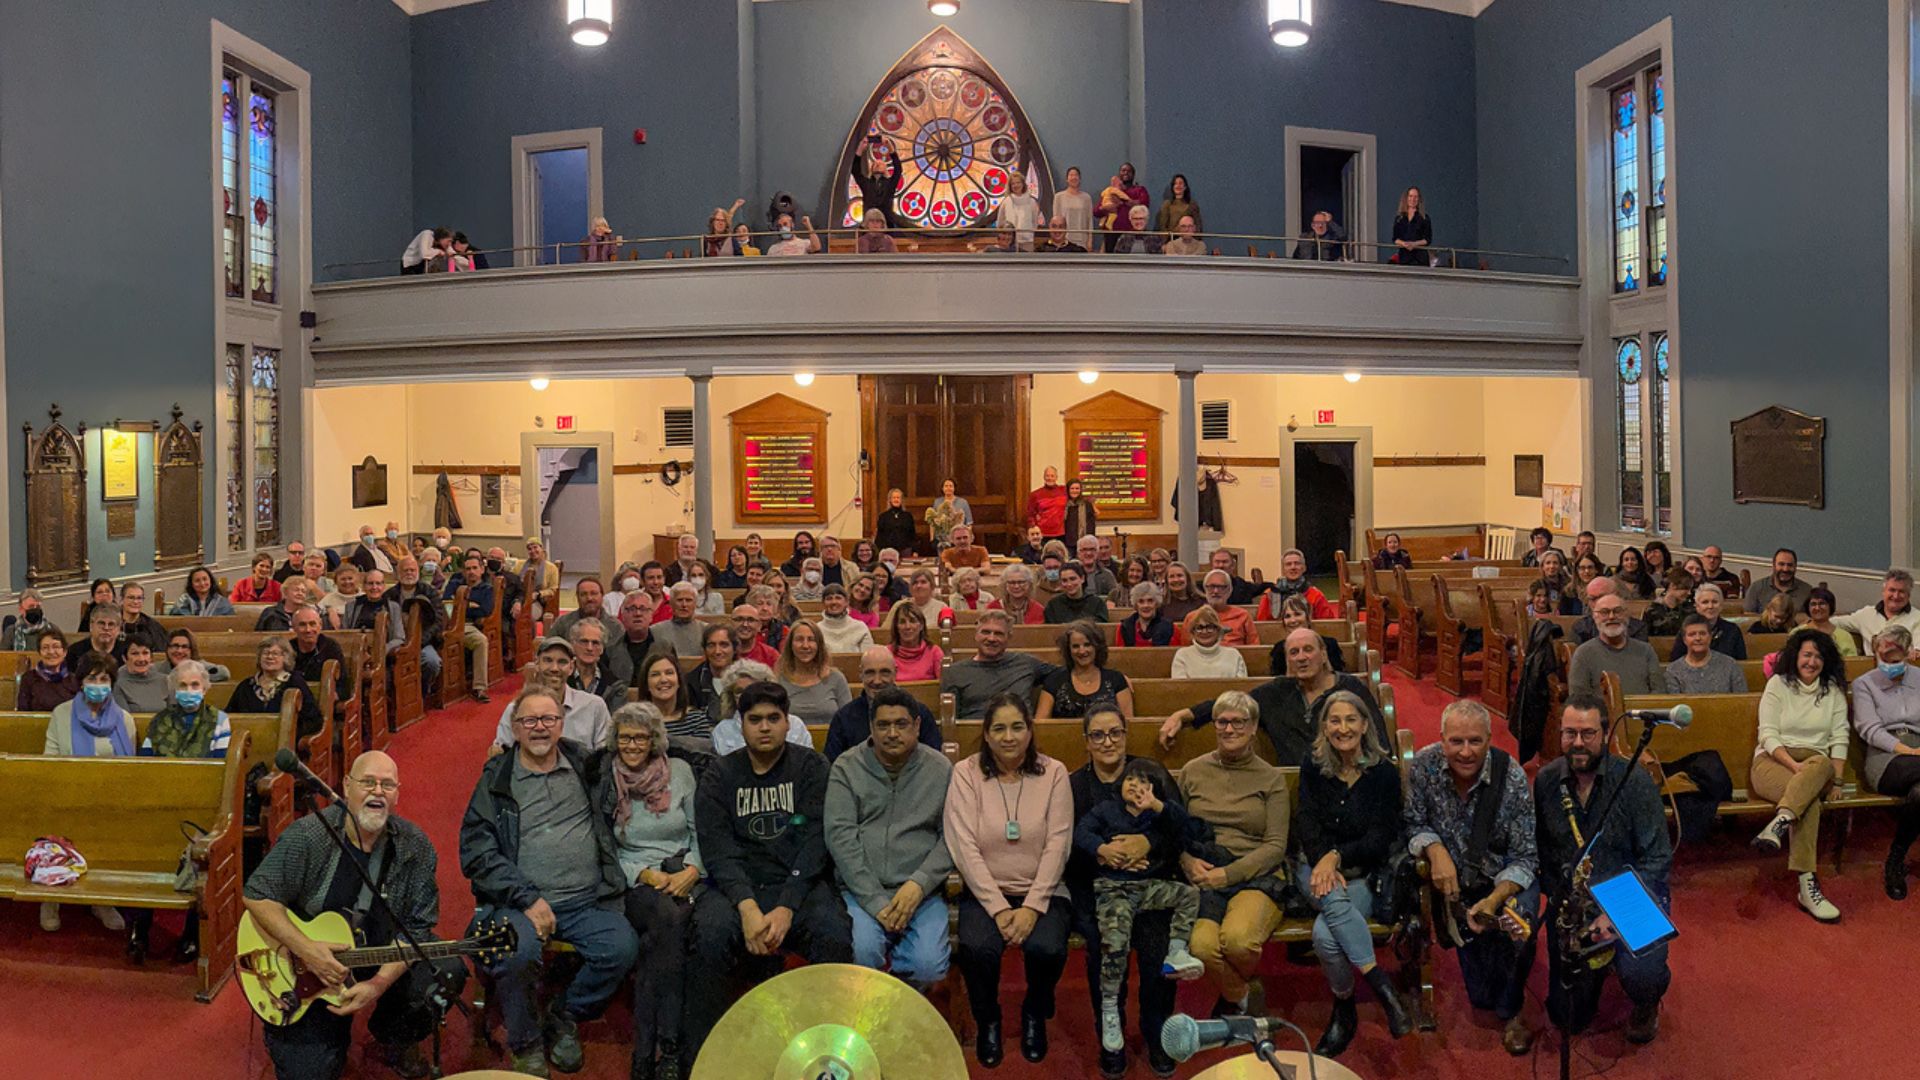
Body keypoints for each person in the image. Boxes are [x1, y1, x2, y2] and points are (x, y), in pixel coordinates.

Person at [242, 750, 461, 1080]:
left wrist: (377, 984)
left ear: (398, 793)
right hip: (307, 965)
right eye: (368, 782)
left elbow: (418, 926)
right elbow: (257, 895)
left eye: (388, 785)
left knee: (447, 972)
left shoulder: (415, 847)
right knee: (312, 1072)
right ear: (346, 786)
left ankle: (392, 1035)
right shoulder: (310, 836)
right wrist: (305, 950)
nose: (377, 792)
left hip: (377, 953)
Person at [460, 685, 638, 1076]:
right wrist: (526, 898)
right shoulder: (497, 777)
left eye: (548, 719)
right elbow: (476, 851)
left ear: (561, 724)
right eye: (529, 720)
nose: (539, 727)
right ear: (515, 727)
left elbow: (641, 752)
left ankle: (564, 1013)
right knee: (516, 952)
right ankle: (525, 1042)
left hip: (584, 900)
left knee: (622, 947)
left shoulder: (585, 765)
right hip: (516, 903)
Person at [688, 682, 852, 1058]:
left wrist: (787, 906)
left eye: (773, 719)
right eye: (755, 719)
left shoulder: (812, 767)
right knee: (708, 934)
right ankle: (707, 1054)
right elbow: (718, 849)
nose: (764, 727)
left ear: (787, 721)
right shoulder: (720, 773)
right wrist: (746, 906)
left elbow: (815, 843)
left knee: (834, 934)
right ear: (741, 725)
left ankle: (828, 1049)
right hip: (737, 886)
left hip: (799, 883)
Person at [943, 692, 1073, 1065]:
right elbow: (963, 845)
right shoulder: (966, 773)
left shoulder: (1054, 772)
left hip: (1043, 888)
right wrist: (999, 908)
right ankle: (989, 1020)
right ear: (985, 734)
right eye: (998, 728)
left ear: (1030, 731)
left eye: (1017, 727)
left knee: (1046, 948)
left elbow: (1058, 841)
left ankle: (1035, 1010)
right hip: (987, 892)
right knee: (978, 949)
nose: (1009, 736)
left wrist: (1032, 906)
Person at [1404, 700, 1539, 1054]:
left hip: (1504, 880)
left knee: (1519, 929)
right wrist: (1434, 850)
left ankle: (1514, 1011)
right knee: (1480, 997)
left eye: (1475, 742)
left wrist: (1494, 902)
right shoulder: (1424, 765)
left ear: (1490, 739)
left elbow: (1526, 855)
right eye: (1456, 742)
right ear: (1442, 739)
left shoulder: (1510, 776)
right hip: (1455, 883)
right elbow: (1413, 823)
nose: (1465, 752)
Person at [1535, 695, 1671, 1044]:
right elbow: (1543, 853)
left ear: (1606, 734)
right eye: (1569, 733)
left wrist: (1613, 916)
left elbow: (1657, 858)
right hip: (1575, 902)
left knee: (1643, 975)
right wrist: (1564, 909)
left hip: (1628, 893)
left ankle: (1647, 1000)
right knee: (1569, 1019)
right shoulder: (1546, 780)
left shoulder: (1634, 781)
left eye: (1588, 733)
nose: (1577, 743)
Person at [1295, 690, 1413, 1056]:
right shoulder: (1314, 765)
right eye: (1334, 720)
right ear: (1324, 727)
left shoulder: (1383, 774)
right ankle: (1379, 984)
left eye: (1350, 720)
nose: (1342, 727)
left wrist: (1337, 855)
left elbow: (1380, 838)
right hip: (1311, 867)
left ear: (1365, 725)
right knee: (1330, 895)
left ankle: (1344, 1007)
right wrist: (1324, 859)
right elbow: (1307, 823)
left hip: (1363, 873)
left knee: (1325, 937)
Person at [593, 704, 701, 1080]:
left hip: (684, 873)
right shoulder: (607, 779)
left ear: (654, 739)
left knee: (662, 937)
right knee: (668, 918)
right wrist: (645, 875)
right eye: (625, 737)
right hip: (636, 881)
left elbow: (699, 831)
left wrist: (692, 870)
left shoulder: (682, 773)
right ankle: (669, 1047)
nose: (632, 745)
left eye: (640, 737)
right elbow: (606, 847)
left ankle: (646, 1051)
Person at [826, 685, 955, 992]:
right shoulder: (846, 767)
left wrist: (919, 884)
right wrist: (874, 900)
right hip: (860, 890)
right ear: (871, 727)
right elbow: (839, 836)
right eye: (883, 725)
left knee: (929, 966)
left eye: (901, 724)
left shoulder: (940, 769)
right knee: (861, 953)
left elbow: (952, 836)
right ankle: (869, 1020)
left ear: (917, 726)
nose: (892, 733)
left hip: (920, 892)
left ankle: (904, 1017)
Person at [1077, 752, 1206, 1058]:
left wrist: (1157, 806)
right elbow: (1080, 833)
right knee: (1114, 944)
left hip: (1148, 887)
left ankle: (1176, 950)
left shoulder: (1157, 814)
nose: (1136, 787)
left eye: (1145, 783)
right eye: (1131, 780)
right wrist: (1103, 849)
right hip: (1114, 890)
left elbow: (1186, 830)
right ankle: (1110, 1006)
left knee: (1188, 895)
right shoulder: (1107, 810)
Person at [1175, 690, 1289, 1018]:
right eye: (1221, 722)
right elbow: (1177, 830)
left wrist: (1228, 874)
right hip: (1203, 871)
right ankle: (1244, 991)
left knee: (1238, 940)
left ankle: (1233, 996)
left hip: (1256, 874)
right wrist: (1187, 861)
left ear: (1254, 727)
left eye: (1238, 722)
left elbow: (1275, 846)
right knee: (1202, 946)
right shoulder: (1193, 771)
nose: (1229, 729)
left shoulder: (1271, 778)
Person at [1748, 628, 1851, 922]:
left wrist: (1838, 781)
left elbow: (1840, 736)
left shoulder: (1831, 690)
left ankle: (1779, 823)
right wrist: (1794, 767)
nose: (1812, 662)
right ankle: (1807, 887)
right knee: (1808, 803)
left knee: (1821, 764)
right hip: (1773, 760)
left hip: (1816, 764)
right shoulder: (1778, 685)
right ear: (1795, 656)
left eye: (1819, 656)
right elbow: (1767, 734)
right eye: (1807, 654)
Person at [1851, 625, 1920, 899]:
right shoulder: (1864, 683)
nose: (1889, 665)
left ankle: (1895, 859)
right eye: (1884, 658)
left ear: (1908, 654)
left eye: (1895, 659)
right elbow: (1870, 729)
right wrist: (1907, 750)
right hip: (1885, 757)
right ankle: (1895, 860)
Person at [492, 638, 614, 751]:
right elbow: (502, 758)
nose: (554, 668)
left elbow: (606, 756)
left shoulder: (594, 706)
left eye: (562, 662)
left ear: (571, 667)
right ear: (537, 664)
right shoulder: (516, 710)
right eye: (548, 660)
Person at [824, 647, 941, 761]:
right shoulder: (844, 718)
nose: (877, 681)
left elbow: (933, 761)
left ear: (895, 672)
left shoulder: (919, 713)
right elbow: (834, 765)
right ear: (860, 674)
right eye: (870, 673)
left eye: (884, 672)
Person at [942, 610, 1059, 720]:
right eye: (985, 632)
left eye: (999, 634)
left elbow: (1061, 675)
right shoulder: (955, 672)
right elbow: (950, 719)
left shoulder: (1026, 663)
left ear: (1009, 637)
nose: (991, 638)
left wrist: (1041, 717)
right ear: (976, 635)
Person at [1568, 590, 1663, 698]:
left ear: (1627, 615)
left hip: (1643, 713)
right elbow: (1578, 700)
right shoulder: (1583, 653)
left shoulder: (1646, 650)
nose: (1611, 617)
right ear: (1595, 617)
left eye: (1618, 611)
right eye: (1604, 612)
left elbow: (1659, 691)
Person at [708, 660, 812, 756]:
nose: (745, 696)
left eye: (752, 689)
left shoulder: (795, 725)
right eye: (739, 692)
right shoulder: (722, 730)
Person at [228, 636, 323, 737]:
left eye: (275, 654)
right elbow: (229, 716)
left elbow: (314, 719)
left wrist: (293, 737)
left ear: (285, 658)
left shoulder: (295, 682)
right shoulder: (246, 686)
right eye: (265, 653)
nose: (269, 657)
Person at [1037, 621, 1133, 721]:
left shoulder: (1116, 680)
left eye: (1087, 645)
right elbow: (1041, 724)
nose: (1082, 651)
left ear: (1097, 647)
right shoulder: (1054, 680)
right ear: (1068, 649)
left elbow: (1129, 725)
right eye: (1075, 646)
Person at [776, 620, 853, 729]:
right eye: (799, 639)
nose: (805, 645)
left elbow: (849, 720)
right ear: (790, 645)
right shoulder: (778, 679)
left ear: (819, 645)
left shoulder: (836, 678)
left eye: (811, 640)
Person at [440, 553, 493, 703]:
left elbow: (485, 610)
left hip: (468, 625)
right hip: (448, 623)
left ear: (482, 569)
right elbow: (446, 602)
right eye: (468, 568)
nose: (471, 572)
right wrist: (469, 605)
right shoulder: (455, 583)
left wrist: (461, 605)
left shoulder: (486, 589)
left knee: (481, 641)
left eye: (475, 568)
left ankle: (479, 687)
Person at [1835, 568, 1920, 647]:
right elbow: (1834, 623)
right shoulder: (1866, 614)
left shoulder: (1917, 618)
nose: (1896, 596)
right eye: (1892, 590)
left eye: (1901, 591)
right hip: (1870, 663)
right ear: (1883, 592)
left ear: (1908, 595)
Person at [1664, 614, 1748, 694]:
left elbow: (1742, 699)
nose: (1698, 638)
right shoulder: (1673, 671)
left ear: (1710, 637)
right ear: (1684, 640)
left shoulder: (1730, 665)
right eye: (1692, 634)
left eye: (1702, 633)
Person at [1255, 548, 1340, 620]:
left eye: (1297, 563)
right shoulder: (1270, 595)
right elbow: (1262, 625)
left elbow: (1328, 625)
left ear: (1304, 568)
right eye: (1288, 564)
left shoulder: (1316, 596)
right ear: (1283, 569)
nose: (1293, 567)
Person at [1667, 583, 1746, 661]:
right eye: (1705, 602)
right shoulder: (1687, 628)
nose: (1710, 606)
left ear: (1721, 605)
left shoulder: (1732, 630)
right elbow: (1675, 661)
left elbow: (1741, 663)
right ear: (1697, 607)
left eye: (1714, 602)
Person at [1272, 594, 1345, 673]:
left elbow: (1338, 678)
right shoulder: (1279, 650)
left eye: (1297, 614)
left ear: (1308, 616)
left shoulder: (1329, 645)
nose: (1292, 620)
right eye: (1287, 616)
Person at [1172, 606, 1247, 679]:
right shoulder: (1182, 655)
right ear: (1193, 632)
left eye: (1210, 627)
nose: (1204, 632)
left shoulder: (1234, 655)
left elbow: (1241, 688)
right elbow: (1180, 689)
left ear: (1218, 630)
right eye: (1199, 628)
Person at [1569, 577, 1649, 646]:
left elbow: (1639, 659)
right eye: (1593, 599)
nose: (1598, 603)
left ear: (1617, 596)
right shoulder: (1580, 628)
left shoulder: (1637, 628)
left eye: (1602, 597)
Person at [1186, 570, 1256, 646]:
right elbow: (1185, 649)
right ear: (1205, 590)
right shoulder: (1192, 617)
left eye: (1221, 587)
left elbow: (1254, 647)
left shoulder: (1243, 615)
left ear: (1229, 590)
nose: (1215, 591)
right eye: (1211, 586)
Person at [18, 629, 79, 712]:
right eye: (45, 648)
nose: (51, 652)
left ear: (64, 652)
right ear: (39, 652)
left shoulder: (74, 680)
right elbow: (22, 712)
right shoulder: (29, 679)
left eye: (56, 647)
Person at [550, 576, 620, 647]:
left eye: (594, 593)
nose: (589, 598)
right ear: (577, 597)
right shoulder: (563, 623)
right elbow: (549, 648)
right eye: (583, 594)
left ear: (602, 596)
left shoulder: (615, 626)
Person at [1098, 164, 1150, 253]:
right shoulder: (1110, 191)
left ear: (1133, 174)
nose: (1125, 173)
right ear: (1119, 173)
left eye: (1128, 171)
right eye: (1123, 170)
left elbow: (1143, 203)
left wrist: (1121, 202)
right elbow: (1096, 211)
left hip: (1132, 235)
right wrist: (1105, 208)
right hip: (1112, 234)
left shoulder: (1140, 190)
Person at [853, 136, 901, 228]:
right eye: (874, 163)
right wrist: (860, 149)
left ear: (886, 168)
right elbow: (856, 171)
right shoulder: (866, 183)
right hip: (868, 224)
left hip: (887, 225)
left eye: (880, 163)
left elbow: (898, 169)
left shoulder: (890, 183)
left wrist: (890, 148)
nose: (877, 164)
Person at [110, 641, 170, 713]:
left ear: (151, 657)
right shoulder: (118, 684)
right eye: (135, 653)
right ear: (124, 658)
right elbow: (123, 719)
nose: (141, 659)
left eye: (145, 653)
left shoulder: (166, 680)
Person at [816, 583, 875, 656]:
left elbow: (868, 657)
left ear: (846, 602)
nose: (834, 602)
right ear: (823, 603)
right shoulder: (816, 630)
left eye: (838, 598)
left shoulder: (860, 627)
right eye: (829, 598)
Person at [1044, 563, 1109, 625]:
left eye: (1073, 579)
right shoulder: (1053, 605)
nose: (1069, 584)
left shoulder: (1097, 603)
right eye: (1064, 580)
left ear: (1082, 579)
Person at [67, 605, 127, 671]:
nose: (106, 628)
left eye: (111, 624)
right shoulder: (75, 652)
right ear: (91, 625)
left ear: (118, 628)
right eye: (101, 623)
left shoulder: (126, 653)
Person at [1117, 583, 1177, 647]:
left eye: (1150, 601)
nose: (1146, 605)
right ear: (1136, 605)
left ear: (1156, 603)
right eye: (1141, 601)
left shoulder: (1171, 628)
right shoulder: (1124, 627)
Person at [995, 170, 1043, 251]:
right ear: (1010, 186)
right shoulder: (1006, 202)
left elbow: (1034, 222)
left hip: (1026, 241)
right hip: (1009, 241)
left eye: (1018, 183)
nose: (1016, 185)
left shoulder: (1032, 202)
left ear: (1023, 184)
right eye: (1013, 184)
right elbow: (1000, 223)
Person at [1642, 569, 1696, 637]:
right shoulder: (1651, 610)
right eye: (1685, 588)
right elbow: (1644, 636)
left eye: (1690, 589)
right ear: (1673, 586)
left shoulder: (1690, 610)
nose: (1689, 593)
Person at [117, 582, 169, 654]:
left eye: (139, 598)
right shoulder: (112, 624)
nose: (135, 602)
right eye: (131, 597)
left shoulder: (152, 626)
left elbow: (161, 653)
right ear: (122, 600)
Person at [1052, 167, 1095, 251]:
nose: (1073, 177)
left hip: (1082, 240)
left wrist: (1090, 240)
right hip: (1065, 239)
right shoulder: (1059, 197)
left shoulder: (1086, 198)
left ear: (1080, 178)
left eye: (1076, 175)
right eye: (1071, 175)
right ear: (1067, 179)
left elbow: (1089, 221)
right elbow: (1055, 222)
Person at [924, 479, 973, 550]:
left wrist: (967, 539)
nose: (948, 488)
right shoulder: (937, 502)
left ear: (954, 488)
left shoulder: (963, 502)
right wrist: (932, 538)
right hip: (941, 540)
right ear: (942, 488)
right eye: (946, 486)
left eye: (951, 486)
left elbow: (969, 523)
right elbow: (932, 522)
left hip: (958, 539)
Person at [728, 602, 780, 668]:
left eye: (751, 620)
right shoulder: (720, 652)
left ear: (759, 626)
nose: (745, 624)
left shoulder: (771, 655)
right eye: (739, 619)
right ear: (730, 623)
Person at [1390, 186, 1432, 266]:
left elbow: (1427, 240)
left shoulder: (1425, 218)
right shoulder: (1399, 218)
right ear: (1406, 198)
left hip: (1420, 259)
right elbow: (1395, 239)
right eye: (1410, 196)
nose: (1413, 199)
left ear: (1419, 199)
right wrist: (1404, 244)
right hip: (1404, 258)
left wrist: (1414, 244)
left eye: (1416, 197)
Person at [1026, 466, 1068, 545]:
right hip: (1043, 533)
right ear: (1044, 477)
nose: (1050, 478)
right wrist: (1033, 528)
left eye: (1052, 476)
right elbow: (1030, 514)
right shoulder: (1035, 494)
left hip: (1061, 533)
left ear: (1056, 477)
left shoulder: (1064, 491)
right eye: (1047, 476)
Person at [170, 566, 235, 616]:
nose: (202, 583)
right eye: (197, 581)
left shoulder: (221, 601)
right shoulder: (183, 601)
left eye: (205, 579)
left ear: (210, 581)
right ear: (191, 584)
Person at [873, 488, 919, 557]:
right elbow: (880, 536)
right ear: (890, 500)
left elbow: (912, 534)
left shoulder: (908, 516)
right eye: (894, 498)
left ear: (901, 500)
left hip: (905, 549)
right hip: (888, 551)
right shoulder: (883, 516)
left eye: (898, 498)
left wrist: (915, 550)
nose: (896, 500)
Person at [1060, 480, 1098, 551]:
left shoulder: (1087, 504)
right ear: (1068, 490)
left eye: (1077, 488)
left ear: (1080, 490)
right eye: (1072, 488)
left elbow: (1091, 525)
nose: (1075, 491)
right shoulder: (1063, 505)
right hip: (1067, 543)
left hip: (1084, 543)